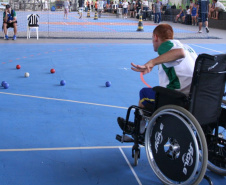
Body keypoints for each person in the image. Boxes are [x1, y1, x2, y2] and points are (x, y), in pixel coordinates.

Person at [117, 24, 197, 134]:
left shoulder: (165, 46)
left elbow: (179, 53)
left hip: (179, 98)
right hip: (196, 98)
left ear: (155, 37)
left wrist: (152, 62)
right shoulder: (188, 48)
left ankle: (139, 130)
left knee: (144, 94)